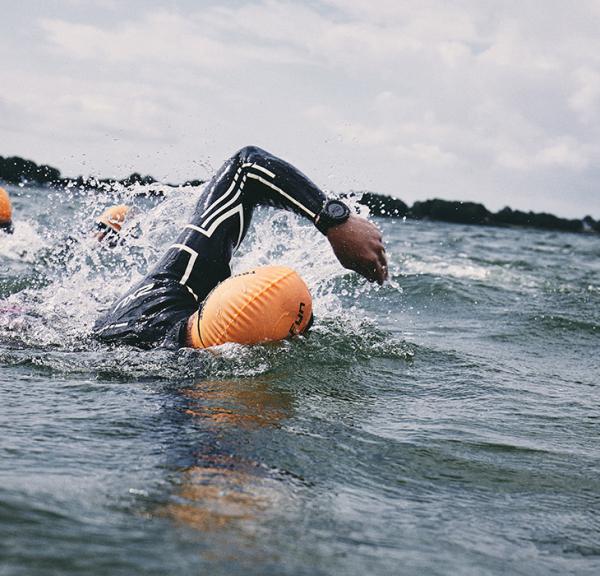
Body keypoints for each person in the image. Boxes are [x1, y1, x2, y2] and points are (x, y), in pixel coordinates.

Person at [92, 146, 387, 349]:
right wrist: (333, 217)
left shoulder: (177, 286)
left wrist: (333, 220)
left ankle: (111, 234)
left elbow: (246, 166)